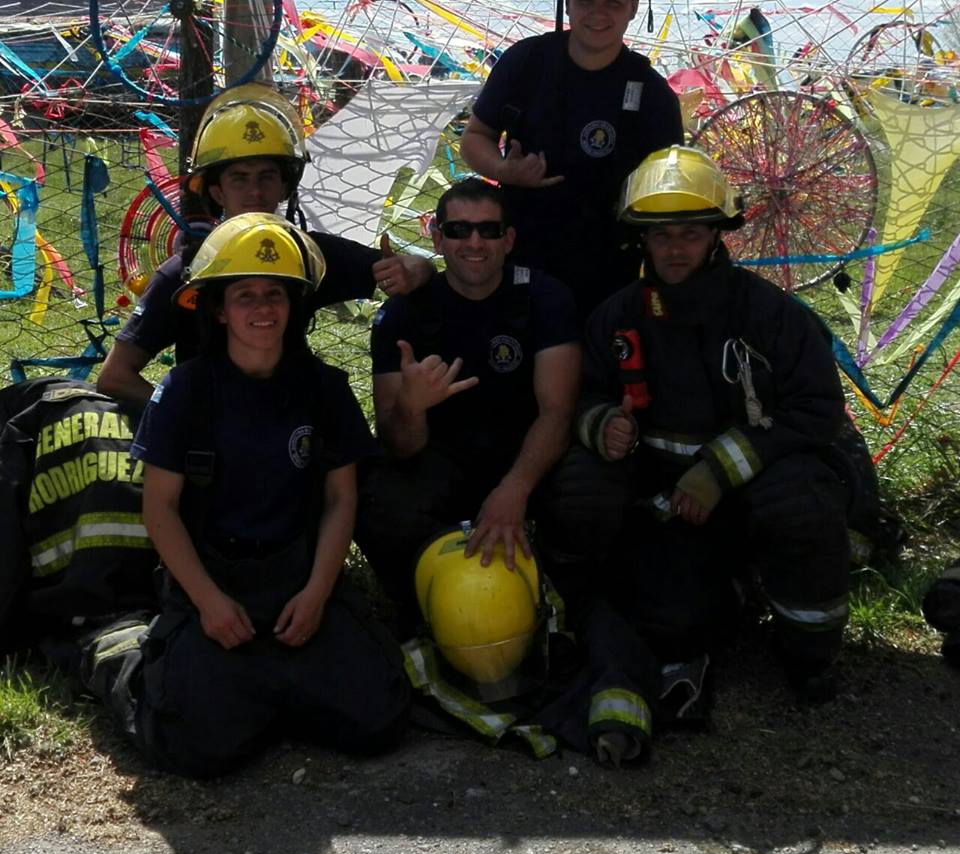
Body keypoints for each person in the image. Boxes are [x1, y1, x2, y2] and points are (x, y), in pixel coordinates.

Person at [92, 213, 410, 778]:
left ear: (295, 306)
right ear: (218, 309)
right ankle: (127, 659)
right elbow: (159, 509)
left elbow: (341, 500)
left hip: (296, 579)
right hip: (212, 580)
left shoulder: (325, 389)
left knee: (378, 721)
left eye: (275, 294)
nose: (263, 309)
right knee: (194, 749)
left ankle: (264, 686)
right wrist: (210, 604)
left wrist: (316, 594)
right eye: (245, 296)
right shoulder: (186, 390)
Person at [549, 145, 855, 705]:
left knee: (801, 500)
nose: (674, 248)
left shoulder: (771, 316)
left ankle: (809, 653)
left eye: (689, 233)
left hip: (750, 489)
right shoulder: (618, 315)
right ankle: (574, 616)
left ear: (718, 234)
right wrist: (602, 425)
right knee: (581, 488)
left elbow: (815, 410)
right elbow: (584, 392)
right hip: (660, 497)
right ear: (641, 238)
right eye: (661, 235)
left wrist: (717, 469)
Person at [97, 83, 433, 408]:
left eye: (266, 177)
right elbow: (115, 376)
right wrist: (189, 411)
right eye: (239, 179)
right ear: (216, 192)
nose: (255, 193)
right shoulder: (184, 272)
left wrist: (416, 269)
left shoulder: (309, 254)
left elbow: (409, 268)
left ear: (285, 187)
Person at [354, 178, 581, 636]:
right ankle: (428, 612)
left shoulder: (546, 297)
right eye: (458, 230)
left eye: (488, 230)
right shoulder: (402, 314)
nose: (474, 242)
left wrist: (514, 489)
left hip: (527, 458)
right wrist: (412, 409)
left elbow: (556, 413)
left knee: (592, 493)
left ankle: (570, 600)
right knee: (376, 500)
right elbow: (398, 446)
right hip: (444, 461)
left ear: (508, 239)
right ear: (437, 237)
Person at [460, 0, 683, 320]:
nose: (598, 13)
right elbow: (475, 136)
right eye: (586, 2)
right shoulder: (526, 63)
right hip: (521, 252)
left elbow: (668, 194)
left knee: (594, 364)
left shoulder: (652, 93)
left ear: (634, 8)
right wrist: (502, 170)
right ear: (567, 5)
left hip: (609, 268)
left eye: (614, 4)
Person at [0, 377, 156, 661]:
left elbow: (7, 550)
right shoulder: (128, 400)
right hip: (172, 585)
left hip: (88, 606)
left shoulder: (16, 423)